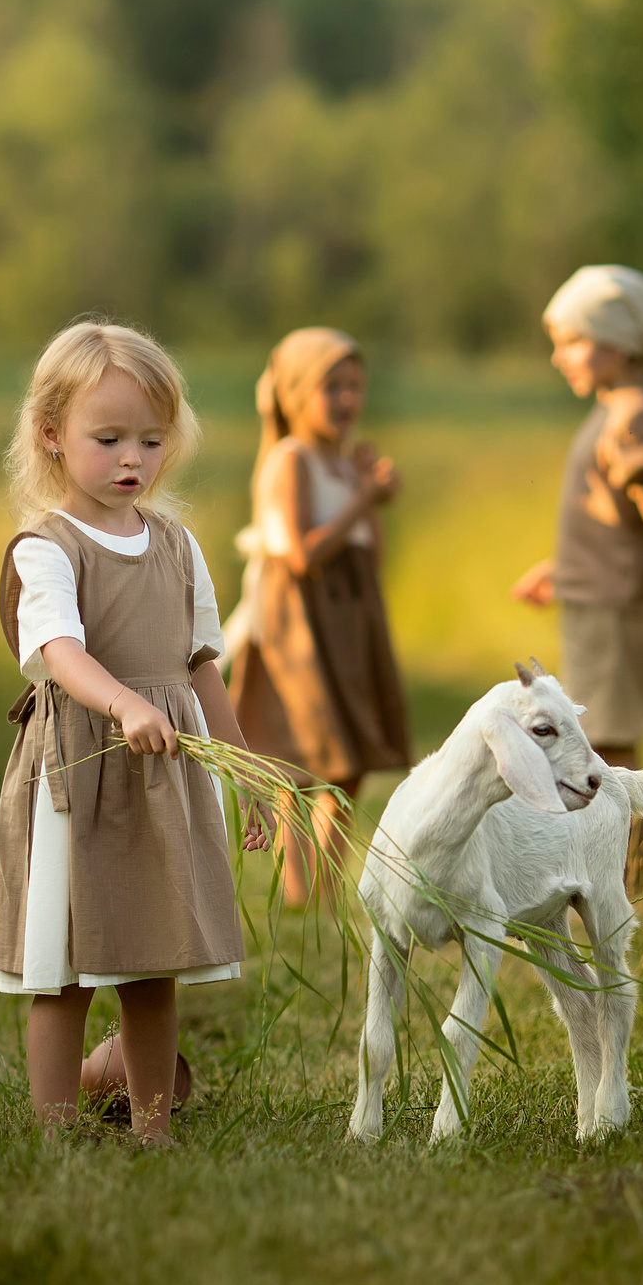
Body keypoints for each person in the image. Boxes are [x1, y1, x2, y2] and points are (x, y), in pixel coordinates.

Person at [0, 320, 272, 1146]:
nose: (132, 460)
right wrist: (123, 705)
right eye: (108, 437)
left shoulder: (178, 547)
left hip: (163, 776)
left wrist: (246, 769)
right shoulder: (47, 548)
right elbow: (59, 651)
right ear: (51, 434)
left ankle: (153, 1127)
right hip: (81, 770)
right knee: (66, 967)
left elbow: (200, 664)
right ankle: (56, 1126)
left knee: (154, 962)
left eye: (151, 440)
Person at [511, 266, 643, 873]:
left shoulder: (633, 417)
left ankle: (621, 883)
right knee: (602, 747)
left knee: (606, 753)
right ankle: (617, 879)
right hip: (601, 609)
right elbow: (617, 523)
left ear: (620, 346)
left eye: (572, 341)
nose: (557, 356)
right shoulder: (615, 412)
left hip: (620, 618)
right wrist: (566, 568)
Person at [224, 327, 411, 906]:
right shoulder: (291, 461)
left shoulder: (341, 462)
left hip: (349, 617)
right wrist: (364, 499)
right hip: (299, 620)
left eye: (356, 386)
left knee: (348, 761)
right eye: (332, 386)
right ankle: (301, 891)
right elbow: (302, 554)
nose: (348, 399)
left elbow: (369, 550)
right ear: (296, 394)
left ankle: (327, 887)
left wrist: (368, 493)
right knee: (304, 757)